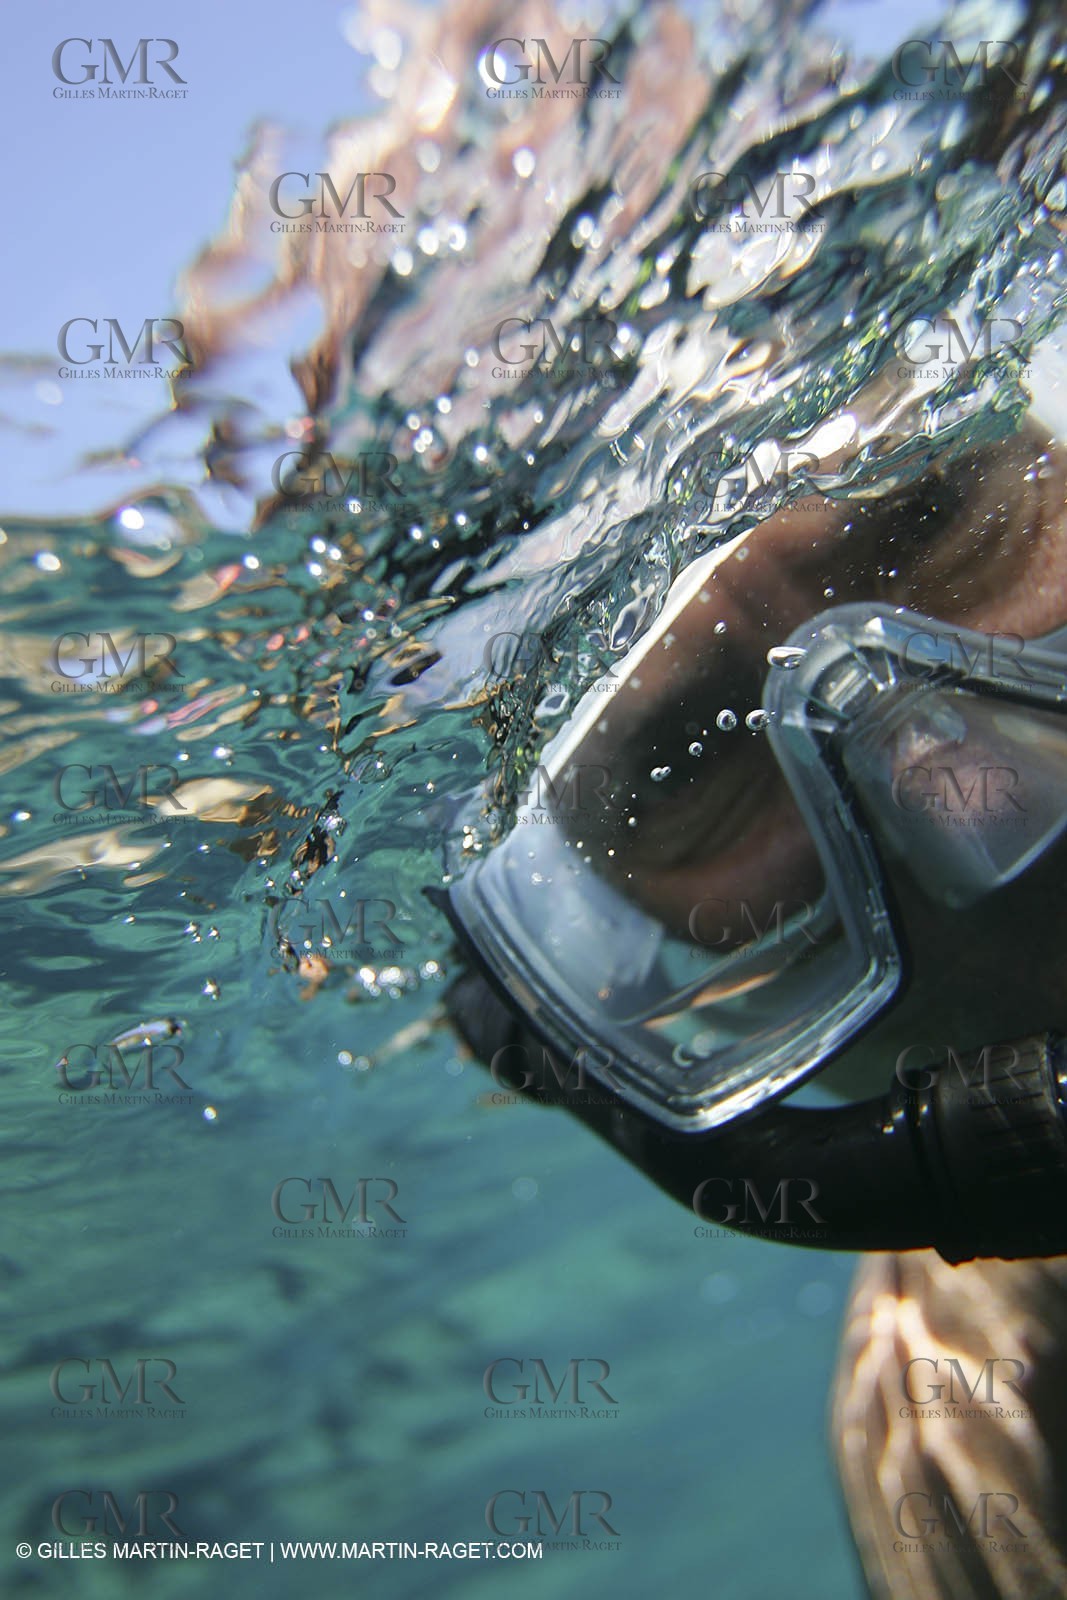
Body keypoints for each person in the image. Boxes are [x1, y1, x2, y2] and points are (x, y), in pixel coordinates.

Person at [442, 408, 1067, 1597]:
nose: (962, 796)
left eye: (940, 522)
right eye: (690, 757)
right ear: (590, 991)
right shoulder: (967, 1439)